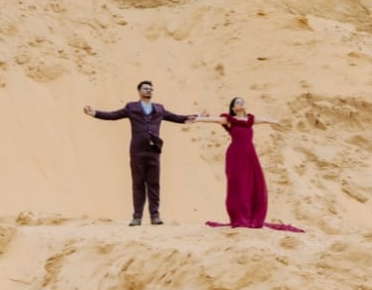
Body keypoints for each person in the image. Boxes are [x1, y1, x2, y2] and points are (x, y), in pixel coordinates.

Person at [84, 80, 197, 226]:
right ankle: (137, 216)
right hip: (137, 151)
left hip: (154, 150)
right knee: (138, 183)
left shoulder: (159, 109)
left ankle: (155, 216)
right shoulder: (132, 107)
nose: (149, 91)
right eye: (145, 88)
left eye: (151, 89)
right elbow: (113, 115)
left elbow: (176, 117)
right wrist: (95, 113)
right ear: (139, 91)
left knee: (154, 183)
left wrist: (196, 117)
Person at [195, 97, 303, 232]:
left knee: (253, 183)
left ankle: (252, 216)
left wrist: (276, 122)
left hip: (250, 155)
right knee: (238, 185)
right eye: (237, 102)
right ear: (233, 108)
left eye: (242, 101)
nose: (241, 103)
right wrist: (198, 118)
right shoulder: (229, 120)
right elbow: (214, 120)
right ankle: (239, 218)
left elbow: (263, 120)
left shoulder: (249, 120)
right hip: (235, 155)